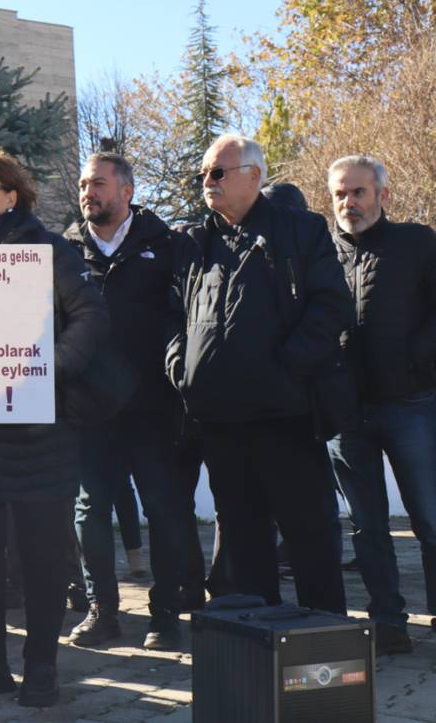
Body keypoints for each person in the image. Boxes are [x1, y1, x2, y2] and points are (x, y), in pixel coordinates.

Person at [0, 147, 109, 709]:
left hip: (39, 437)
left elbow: (91, 315)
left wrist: (46, 370)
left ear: (12, 194)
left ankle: (41, 666)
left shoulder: (49, 251)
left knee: (41, 561)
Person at [167, 134, 351, 616]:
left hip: (286, 416)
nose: (207, 181)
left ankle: (325, 645)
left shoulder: (299, 230)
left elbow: (331, 308)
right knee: (244, 546)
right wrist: (180, 370)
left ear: (254, 176)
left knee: (309, 538)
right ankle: (256, 646)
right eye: (204, 172)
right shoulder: (195, 240)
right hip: (220, 422)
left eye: (218, 172)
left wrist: (286, 367)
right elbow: (174, 317)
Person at [63, 152, 197, 650]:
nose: (86, 192)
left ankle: (165, 613)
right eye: (82, 184)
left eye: (97, 183)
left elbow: (183, 316)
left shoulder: (165, 246)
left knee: (163, 510)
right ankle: (103, 611)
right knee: (90, 508)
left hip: (153, 407)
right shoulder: (65, 250)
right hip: (89, 408)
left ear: (126, 191)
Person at [325, 154, 436, 654]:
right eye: (340, 195)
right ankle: (388, 622)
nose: (349, 203)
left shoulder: (417, 243)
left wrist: (416, 360)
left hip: (411, 404)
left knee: (430, 517)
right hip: (345, 414)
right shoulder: (320, 254)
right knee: (367, 527)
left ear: (382, 196)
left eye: (358, 192)